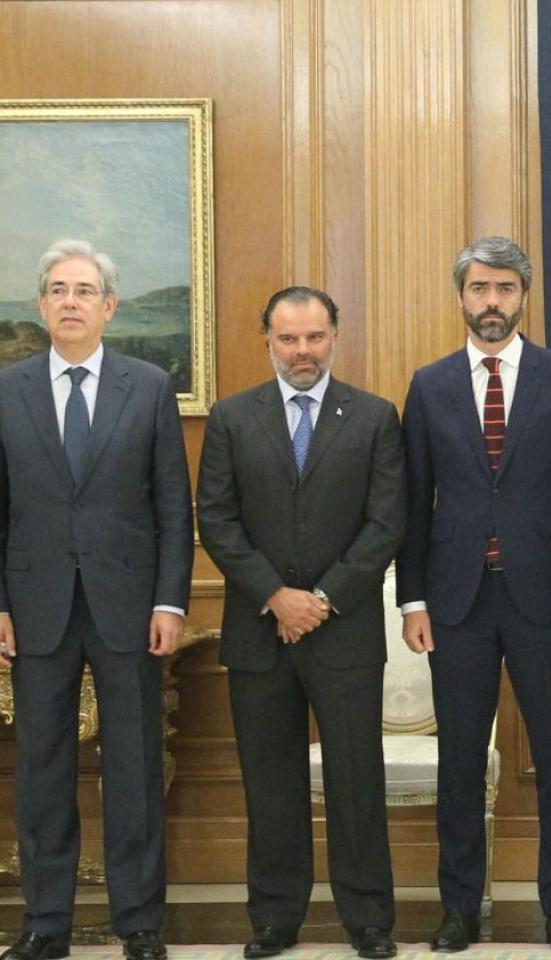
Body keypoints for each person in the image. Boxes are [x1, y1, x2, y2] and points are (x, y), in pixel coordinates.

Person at [397, 237, 551, 953]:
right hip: (455, 604)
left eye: (506, 289)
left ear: (524, 296)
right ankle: (459, 909)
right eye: (480, 288)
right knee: (459, 760)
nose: (492, 302)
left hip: (548, 602)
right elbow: (412, 504)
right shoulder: (428, 386)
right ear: (462, 296)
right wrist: (413, 601)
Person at [196, 287, 405, 960]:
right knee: (271, 780)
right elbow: (217, 520)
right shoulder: (232, 418)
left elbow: (386, 524)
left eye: (314, 336)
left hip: (343, 630)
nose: (302, 351)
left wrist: (321, 598)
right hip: (259, 632)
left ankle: (369, 920)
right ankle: (275, 918)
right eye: (289, 339)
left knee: (356, 779)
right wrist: (275, 596)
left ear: (335, 336)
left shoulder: (374, 418)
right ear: (268, 341)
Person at [0, 240, 193, 960]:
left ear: (109, 306)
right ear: (41, 305)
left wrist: (171, 601)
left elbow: (174, 505)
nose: (71, 301)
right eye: (58, 289)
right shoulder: (7, 390)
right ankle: (45, 922)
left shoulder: (146, 387)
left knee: (134, 766)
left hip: (129, 607)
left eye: (85, 290)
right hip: (36, 606)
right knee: (42, 767)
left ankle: (139, 923)